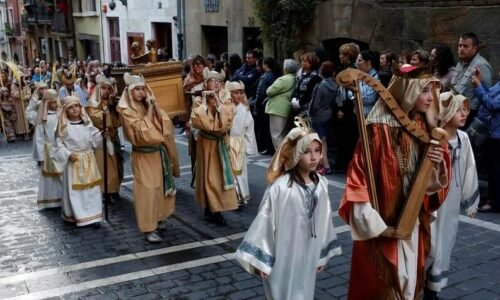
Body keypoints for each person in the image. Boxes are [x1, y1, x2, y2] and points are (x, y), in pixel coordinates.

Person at [339, 65, 451, 299]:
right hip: (382, 220)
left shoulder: (424, 127)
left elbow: (433, 181)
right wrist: (367, 216)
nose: (431, 98)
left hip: (412, 218)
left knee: (408, 282)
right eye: (424, 91)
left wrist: (436, 163)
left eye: (432, 90)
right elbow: (358, 174)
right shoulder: (378, 129)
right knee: (383, 285)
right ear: (407, 92)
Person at [235, 117, 342, 300]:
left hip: (308, 252)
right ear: (294, 154)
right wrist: (262, 260)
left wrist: (321, 255)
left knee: (304, 291)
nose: (315, 157)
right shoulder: (281, 188)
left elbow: (324, 221)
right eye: (307, 152)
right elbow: (265, 221)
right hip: (283, 254)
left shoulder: (321, 185)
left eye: (318, 151)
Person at [424, 92, 479, 300]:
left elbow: (469, 169)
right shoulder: (434, 137)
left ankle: (433, 289)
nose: (464, 114)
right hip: (434, 198)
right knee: (431, 242)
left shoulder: (463, 138)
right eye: (458, 109)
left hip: (452, 200)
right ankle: (420, 281)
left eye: (465, 109)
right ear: (446, 112)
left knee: (446, 241)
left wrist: (470, 202)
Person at [117, 73, 180, 243]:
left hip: (158, 154)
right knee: (148, 190)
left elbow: (165, 125)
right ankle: (148, 228)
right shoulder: (126, 111)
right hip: (143, 155)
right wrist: (151, 110)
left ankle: (159, 218)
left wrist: (155, 107)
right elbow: (142, 134)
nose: (140, 92)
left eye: (142, 89)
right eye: (136, 89)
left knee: (160, 187)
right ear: (130, 92)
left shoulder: (148, 104)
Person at [191, 68, 237, 226]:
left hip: (220, 143)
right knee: (207, 178)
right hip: (206, 144)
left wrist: (217, 102)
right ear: (206, 83)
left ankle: (217, 210)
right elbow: (199, 121)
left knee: (217, 178)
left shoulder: (227, 99)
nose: (216, 83)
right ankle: (210, 208)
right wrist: (204, 102)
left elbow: (225, 123)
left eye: (219, 81)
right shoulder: (198, 100)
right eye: (212, 80)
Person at [52, 96, 103, 227]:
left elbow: (94, 137)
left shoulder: (86, 122)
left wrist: (102, 135)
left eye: (77, 106)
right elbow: (58, 145)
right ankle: (78, 215)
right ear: (65, 111)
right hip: (74, 161)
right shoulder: (63, 126)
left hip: (88, 158)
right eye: (70, 108)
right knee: (76, 192)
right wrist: (68, 154)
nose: (74, 109)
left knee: (91, 189)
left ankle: (94, 216)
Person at [86, 75, 124, 201]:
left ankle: (115, 189)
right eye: (104, 88)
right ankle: (104, 191)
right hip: (101, 139)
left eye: (109, 88)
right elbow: (96, 118)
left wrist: (115, 110)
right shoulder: (93, 104)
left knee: (117, 164)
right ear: (98, 89)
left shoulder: (113, 104)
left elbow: (118, 122)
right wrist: (107, 113)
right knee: (103, 166)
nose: (106, 91)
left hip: (113, 138)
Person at [472, 69, 500, 213]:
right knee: (491, 168)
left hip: (498, 134)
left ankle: (495, 202)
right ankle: (493, 199)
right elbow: (489, 94)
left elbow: (491, 103)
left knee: (496, 170)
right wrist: (481, 82)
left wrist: (478, 85)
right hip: (492, 132)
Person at [451, 32, 493, 126]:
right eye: (460, 45)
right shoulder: (460, 63)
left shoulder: (481, 65)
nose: (461, 49)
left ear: (474, 49)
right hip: (454, 110)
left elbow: (486, 94)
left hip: (470, 116)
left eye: (465, 46)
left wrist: (468, 113)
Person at [226, 81, 258, 206]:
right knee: (230, 169)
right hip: (228, 141)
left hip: (238, 141)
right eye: (235, 93)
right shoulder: (227, 108)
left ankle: (240, 195)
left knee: (239, 170)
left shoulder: (244, 109)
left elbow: (249, 128)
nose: (238, 95)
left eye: (240, 92)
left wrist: (249, 146)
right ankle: (234, 195)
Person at [33, 89, 63, 208]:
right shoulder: (42, 119)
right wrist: (41, 157)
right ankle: (50, 200)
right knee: (50, 178)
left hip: (60, 148)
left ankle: (62, 197)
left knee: (61, 175)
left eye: (57, 102)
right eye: (54, 102)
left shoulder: (60, 115)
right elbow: (39, 138)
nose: (57, 104)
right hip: (48, 150)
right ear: (47, 103)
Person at [308, 61, 337, 175]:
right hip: (329, 113)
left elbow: (314, 104)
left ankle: (325, 165)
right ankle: (323, 163)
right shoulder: (335, 85)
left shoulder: (320, 86)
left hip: (318, 116)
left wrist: (310, 113)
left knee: (320, 141)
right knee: (324, 140)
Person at [265, 59, 299, 150]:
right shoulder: (295, 78)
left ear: (286, 68)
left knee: (276, 134)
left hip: (277, 108)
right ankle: (286, 156)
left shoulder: (284, 79)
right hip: (287, 107)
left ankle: (280, 157)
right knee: (284, 134)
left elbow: (269, 91)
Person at [254, 57, 281, 155]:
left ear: (265, 65)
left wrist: (256, 103)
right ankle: (270, 147)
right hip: (271, 102)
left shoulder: (265, 76)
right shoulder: (277, 75)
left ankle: (267, 148)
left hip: (263, 105)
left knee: (265, 128)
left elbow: (260, 92)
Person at [356, 50, 380, 116]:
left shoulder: (376, 77)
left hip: (368, 115)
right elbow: (349, 92)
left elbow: (370, 99)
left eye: (359, 60)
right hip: (357, 114)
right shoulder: (359, 75)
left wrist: (355, 95)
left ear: (368, 62)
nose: (356, 63)